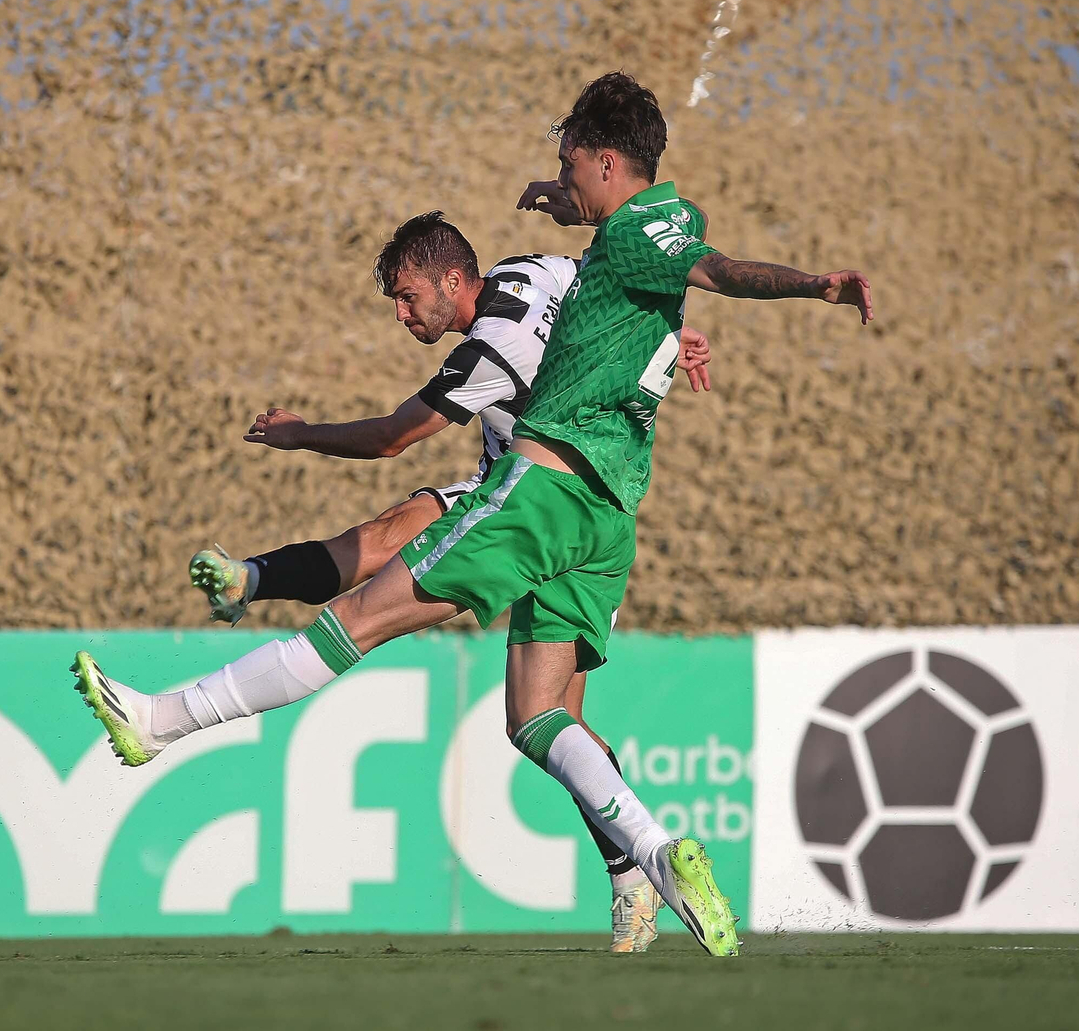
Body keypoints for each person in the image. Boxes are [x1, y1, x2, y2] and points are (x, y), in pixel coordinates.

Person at [70, 72, 872, 958]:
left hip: (541, 487)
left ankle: (158, 722)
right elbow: (629, 280)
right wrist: (655, 317)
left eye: (571, 161)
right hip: (610, 516)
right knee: (536, 717)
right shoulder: (587, 253)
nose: (560, 173)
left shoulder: (592, 273)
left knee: (358, 614)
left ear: (608, 161)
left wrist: (815, 286)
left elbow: (709, 270)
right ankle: (650, 856)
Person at [186, 210, 712, 951]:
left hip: (536, 507)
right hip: (550, 494)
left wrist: (301, 433)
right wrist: (667, 345)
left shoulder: (486, 351)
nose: (402, 315)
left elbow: (391, 438)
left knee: (546, 718)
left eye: (407, 297)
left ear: (454, 279)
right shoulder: (541, 270)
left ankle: (634, 873)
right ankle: (250, 576)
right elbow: (611, 305)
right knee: (387, 542)